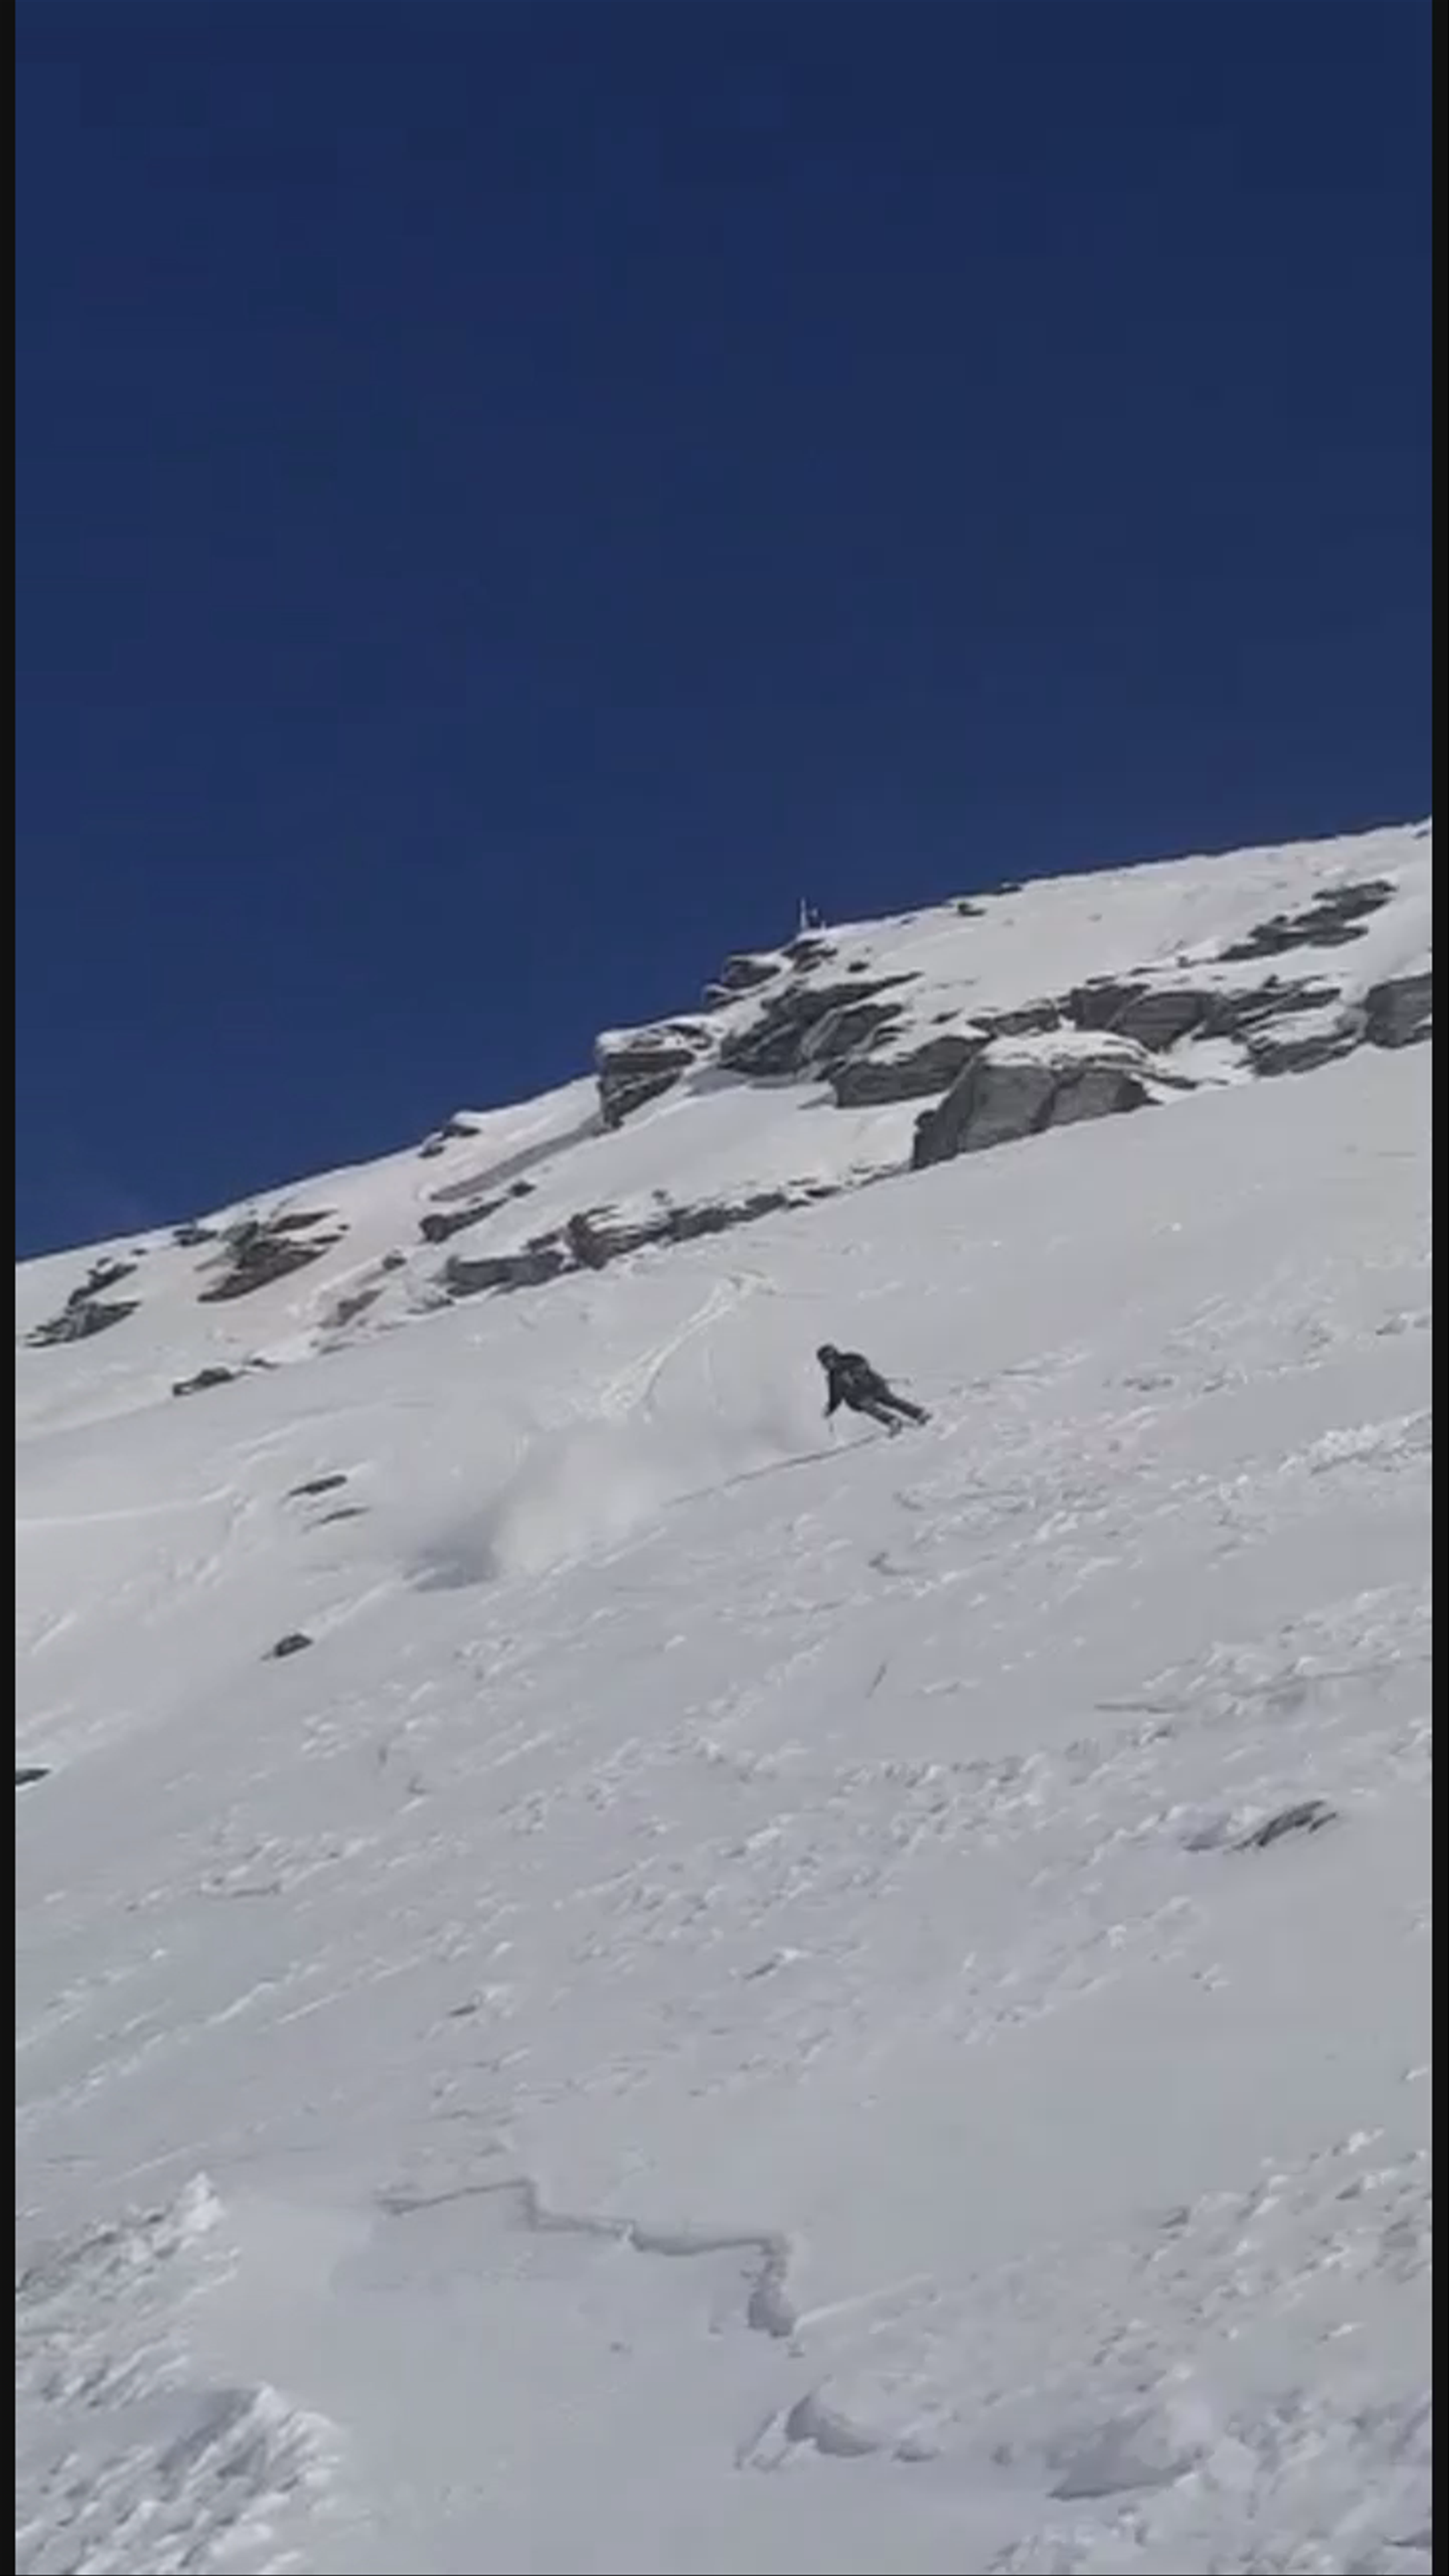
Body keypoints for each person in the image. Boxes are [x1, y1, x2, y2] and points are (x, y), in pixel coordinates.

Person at [817, 1344, 929, 1433]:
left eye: (828, 1361)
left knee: (891, 1401)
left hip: (874, 1386)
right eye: (824, 1363)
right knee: (870, 1408)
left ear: (834, 1357)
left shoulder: (849, 1360)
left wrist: (855, 1375)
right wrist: (830, 1409)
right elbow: (836, 1396)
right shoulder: (833, 1378)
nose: (827, 1365)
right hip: (860, 1397)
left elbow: (864, 1364)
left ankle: (919, 1414)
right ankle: (893, 1421)